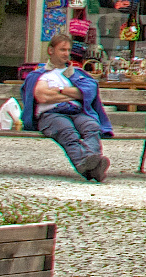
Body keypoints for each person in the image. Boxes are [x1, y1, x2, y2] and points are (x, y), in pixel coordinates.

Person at [20, 35, 111, 181]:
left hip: (76, 112)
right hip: (51, 115)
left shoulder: (77, 74)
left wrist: (59, 91)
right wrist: (73, 94)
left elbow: (87, 93)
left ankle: (90, 164)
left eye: (68, 50)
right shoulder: (41, 74)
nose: (66, 53)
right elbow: (42, 96)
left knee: (92, 126)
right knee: (67, 131)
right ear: (51, 50)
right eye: (62, 49)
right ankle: (89, 165)